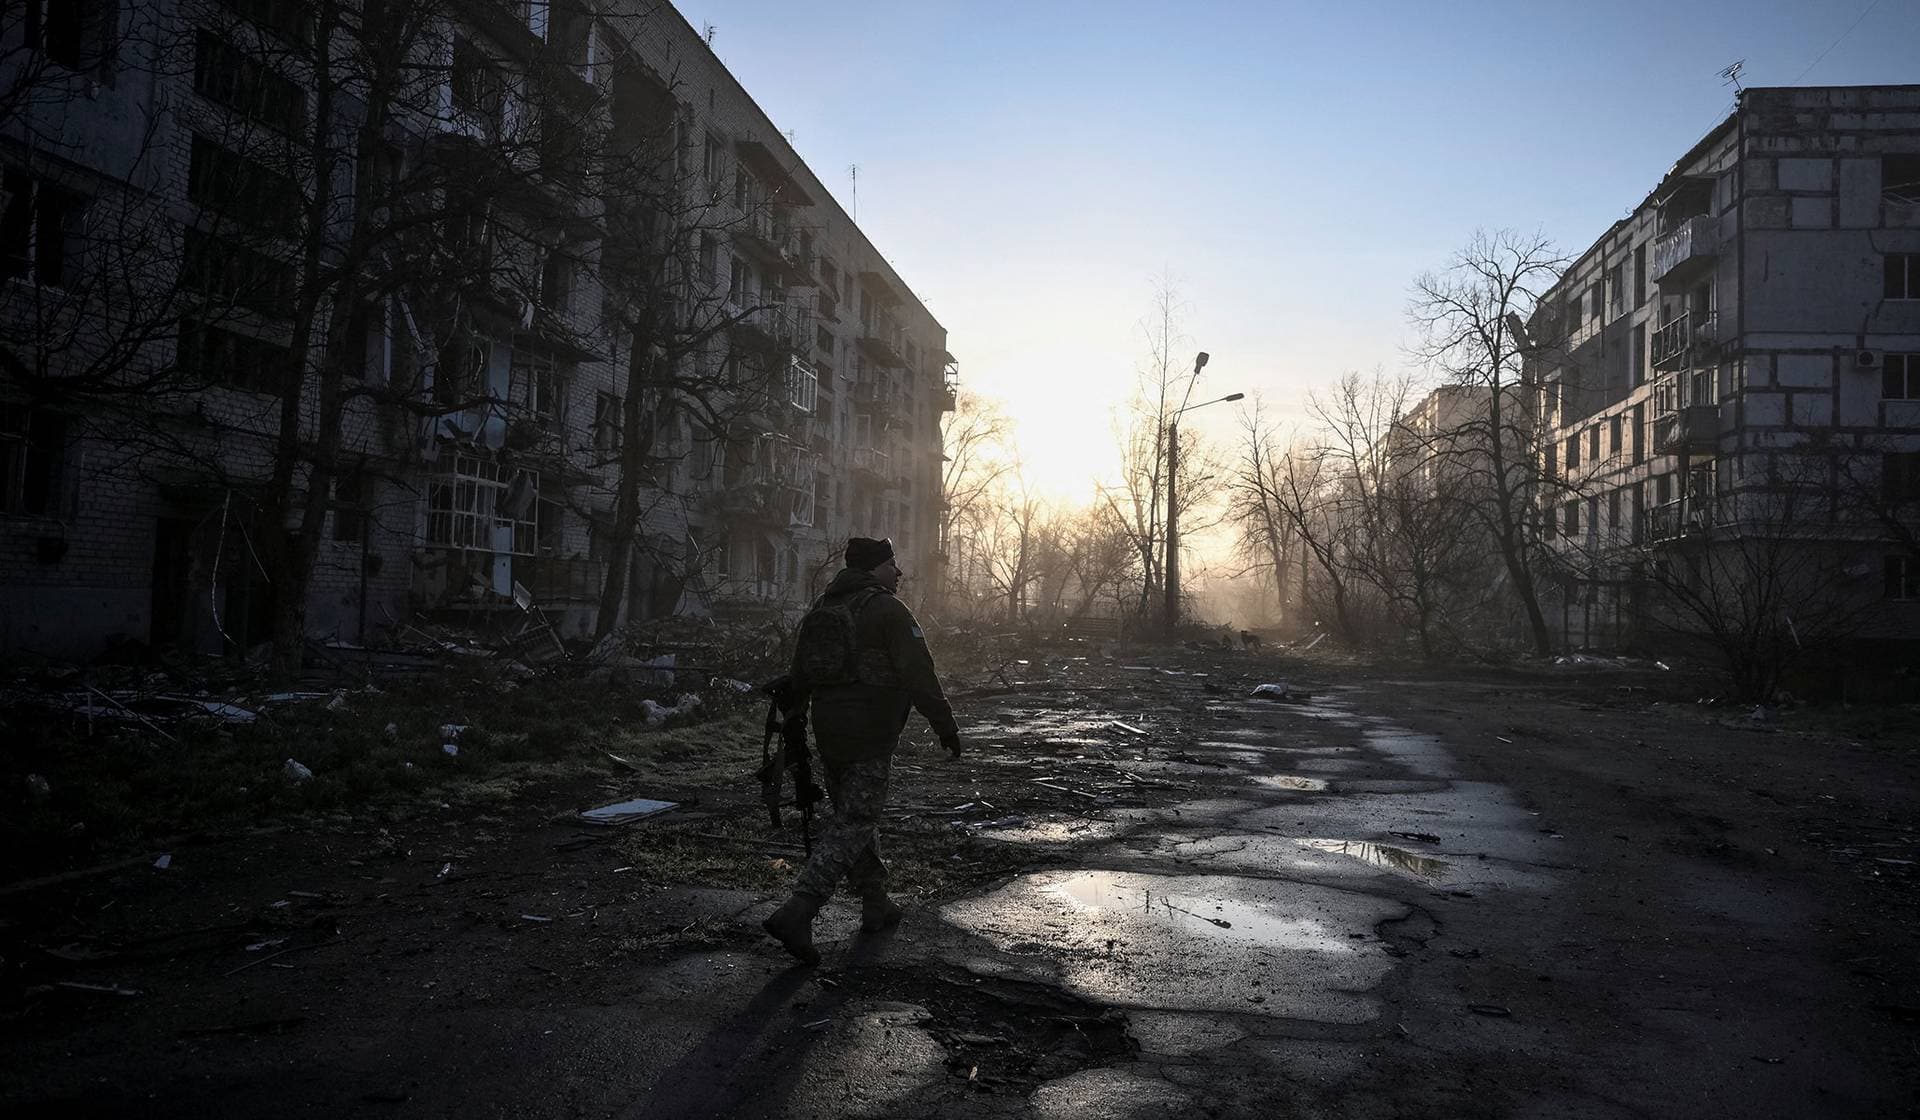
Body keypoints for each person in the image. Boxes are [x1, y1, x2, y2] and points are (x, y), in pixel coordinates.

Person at [761, 536, 962, 965]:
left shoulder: (824, 608)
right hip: (870, 732)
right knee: (855, 821)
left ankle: (876, 903)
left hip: (828, 730)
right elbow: (919, 673)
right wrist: (945, 725)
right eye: (893, 564)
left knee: (854, 815)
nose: (899, 573)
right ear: (875, 568)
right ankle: (799, 910)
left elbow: (800, 673)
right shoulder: (887, 609)